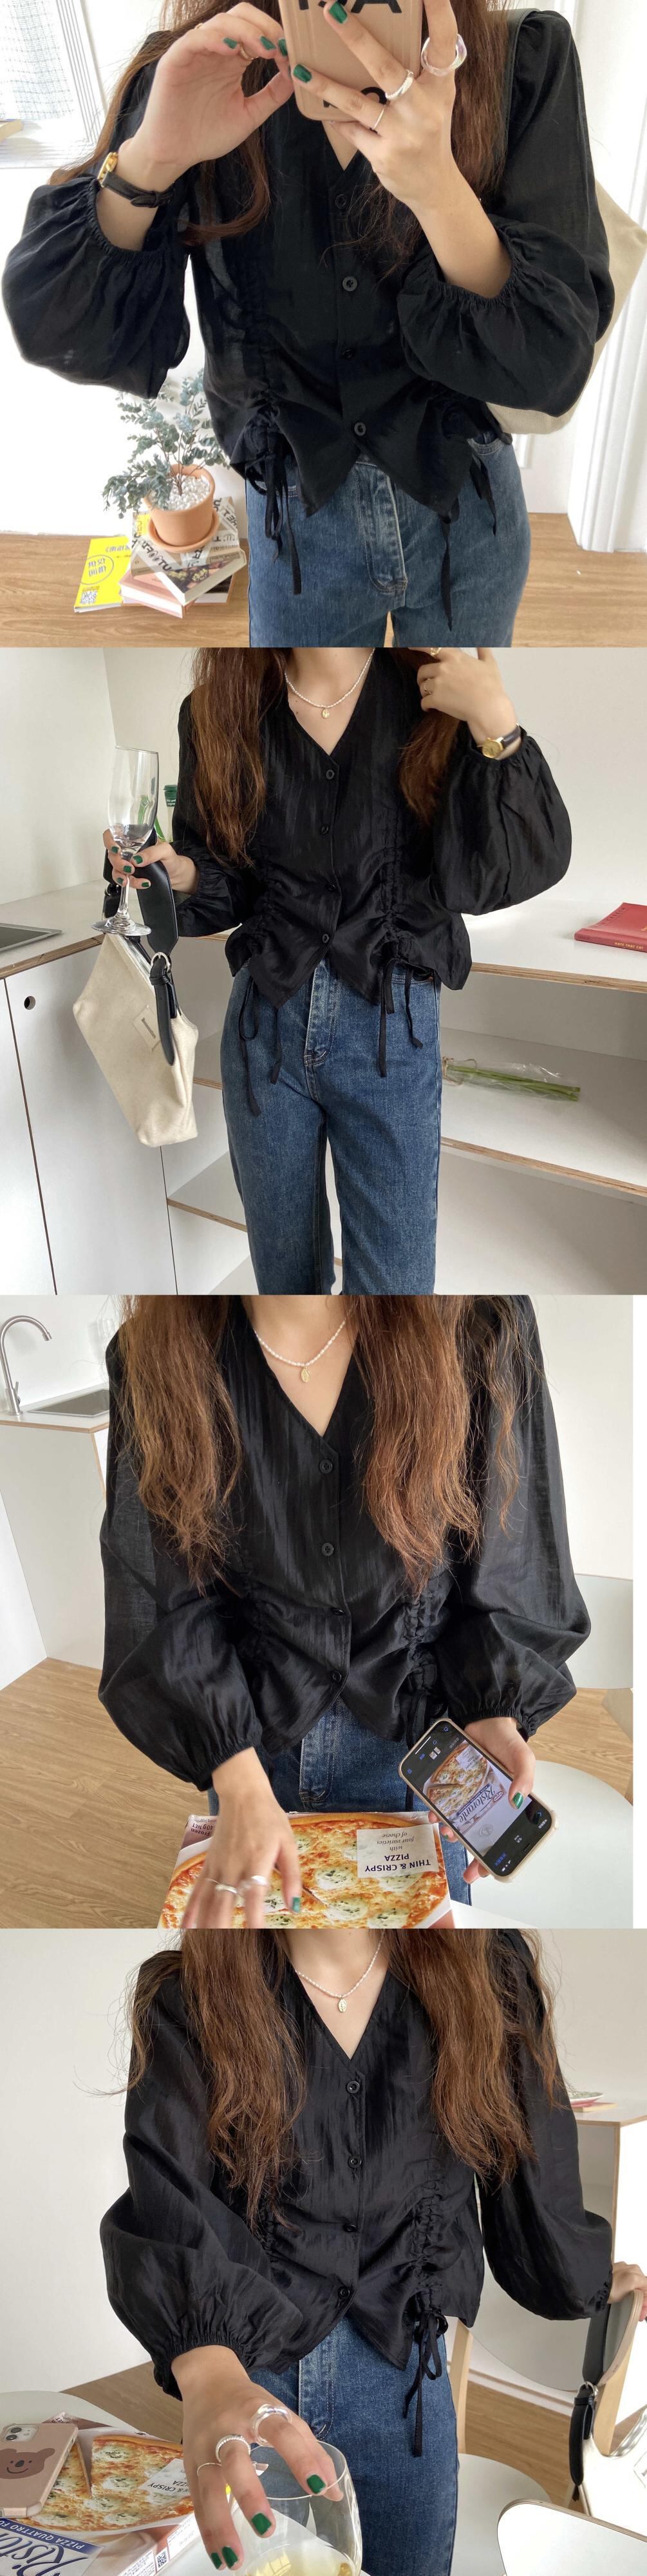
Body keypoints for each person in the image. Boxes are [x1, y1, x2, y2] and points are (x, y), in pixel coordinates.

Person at [3, 2, 613, 644]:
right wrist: (150, 162)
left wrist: (439, 191)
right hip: (298, 533)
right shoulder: (196, 69)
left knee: (449, 704)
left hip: (467, 510)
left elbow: (550, 364)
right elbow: (63, 333)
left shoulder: (517, 57)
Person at [101, 1924, 647, 2576]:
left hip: (402, 2388)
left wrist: (586, 2276)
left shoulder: (486, 1970)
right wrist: (209, 2374)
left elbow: (533, 2160)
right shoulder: (189, 1994)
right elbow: (170, 2194)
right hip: (249, 2381)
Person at [98, 1290, 590, 1925]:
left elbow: (513, 1550)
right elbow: (162, 1588)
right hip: (251, 1756)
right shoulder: (154, 1353)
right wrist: (234, 1773)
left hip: (424, 1754)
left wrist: (495, 1707)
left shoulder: (478, 1321)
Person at [103, 644, 571, 1292]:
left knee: (395, 1289)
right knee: (286, 1283)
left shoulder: (433, 695)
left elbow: (496, 876)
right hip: (264, 1028)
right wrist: (181, 872)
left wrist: (495, 722)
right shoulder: (218, 709)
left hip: (389, 1029)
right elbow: (232, 881)